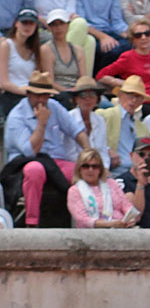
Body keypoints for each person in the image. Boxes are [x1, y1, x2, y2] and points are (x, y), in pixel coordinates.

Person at [5, 70, 90, 227]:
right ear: (29, 94)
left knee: (87, 170)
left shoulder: (54, 106)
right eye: (38, 95)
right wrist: (42, 123)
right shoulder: (16, 116)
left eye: (45, 95)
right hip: (26, 161)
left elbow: (76, 130)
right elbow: (31, 151)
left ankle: (86, 221)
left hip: (56, 160)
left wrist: (88, 152)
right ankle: (32, 222)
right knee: (34, 170)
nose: (42, 99)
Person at [66, 143, 135, 225]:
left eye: (94, 166)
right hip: (91, 234)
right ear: (79, 169)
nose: (90, 170)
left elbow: (126, 205)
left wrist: (130, 219)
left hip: (120, 229)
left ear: (100, 169)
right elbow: (82, 219)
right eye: (85, 166)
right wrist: (109, 224)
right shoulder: (74, 191)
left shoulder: (112, 184)